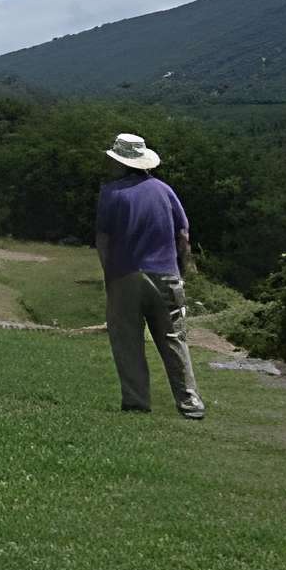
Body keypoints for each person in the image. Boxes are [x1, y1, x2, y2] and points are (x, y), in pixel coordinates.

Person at [94, 132, 204, 420]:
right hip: (165, 273)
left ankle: (136, 401)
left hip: (125, 273)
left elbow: (103, 241)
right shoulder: (165, 191)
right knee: (173, 339)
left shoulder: (111, 193)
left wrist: (110, 278)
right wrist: (183, 270)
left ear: (120, 163)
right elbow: (183, 235)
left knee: (127, 340)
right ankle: (190, 402)